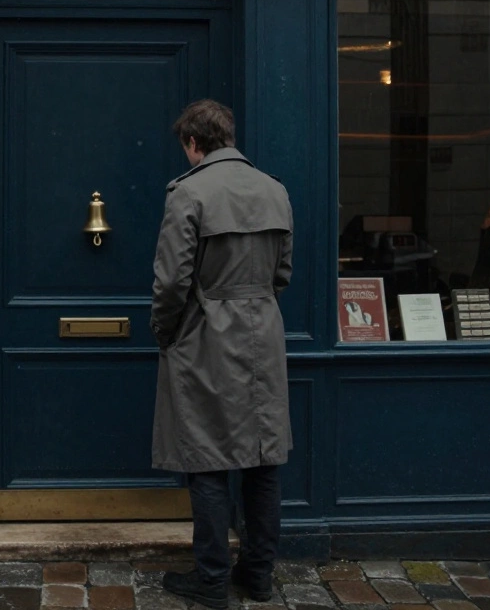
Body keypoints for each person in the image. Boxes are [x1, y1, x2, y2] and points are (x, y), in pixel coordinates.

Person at [150, 99, 294, 609]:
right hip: (264, 335)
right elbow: (282, 275)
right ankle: (258, 575)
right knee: (263, 460)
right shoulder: (275, 191)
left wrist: (165, 334)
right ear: (227, 136)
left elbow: (171, 282)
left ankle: (211, 580)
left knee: (207, 461)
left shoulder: (188, 193)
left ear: (193, 142)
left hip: (206, 336)